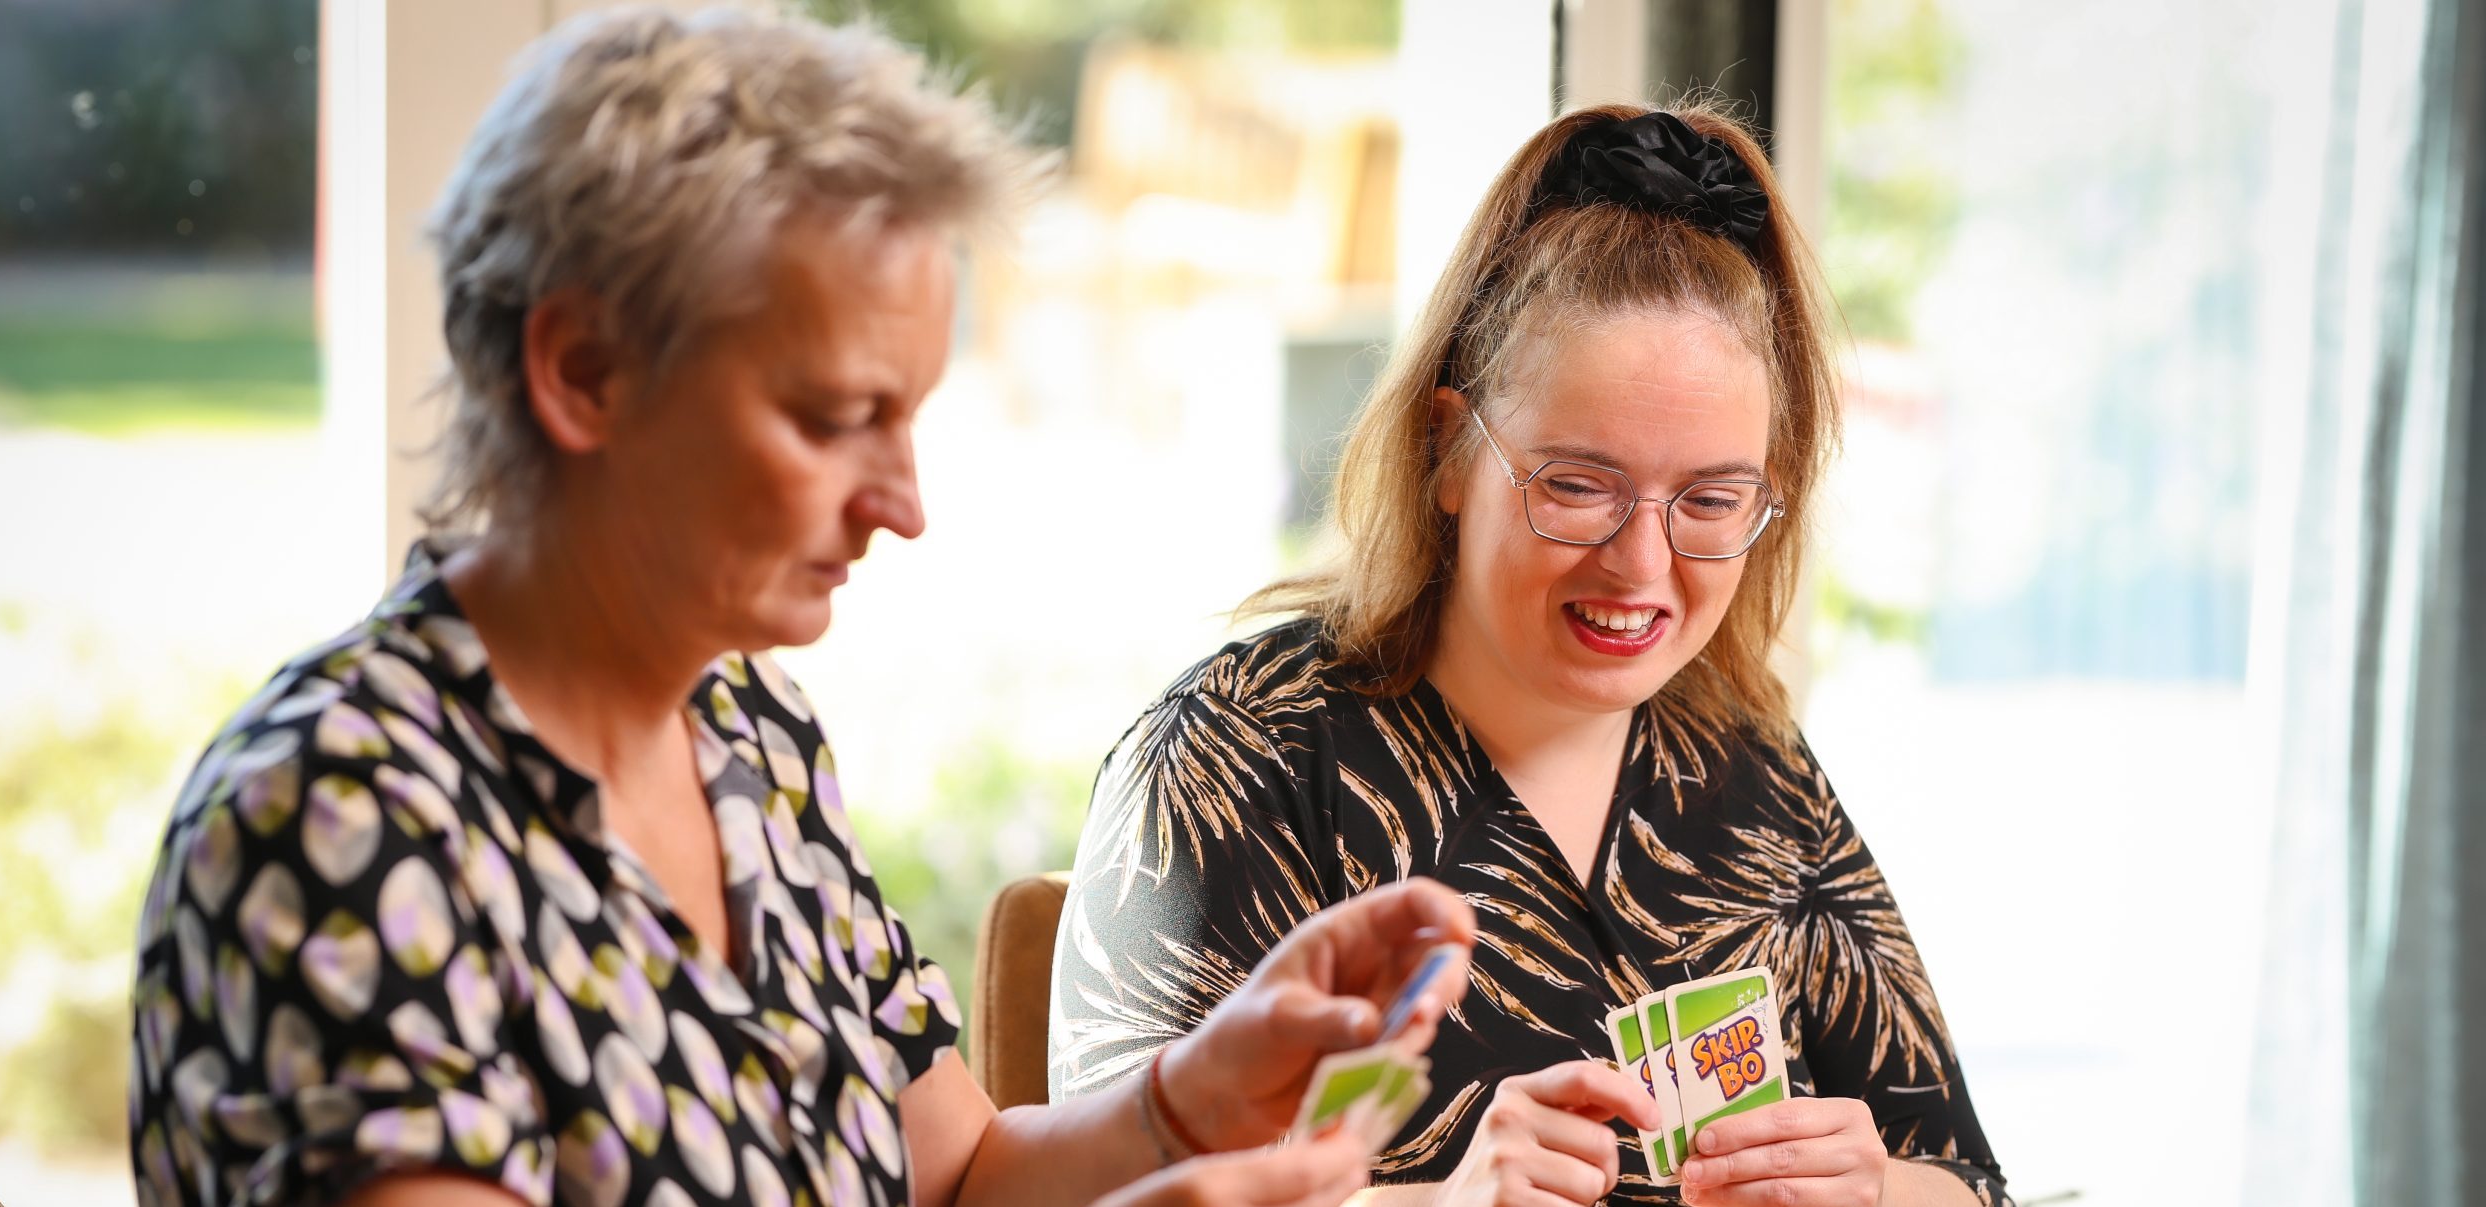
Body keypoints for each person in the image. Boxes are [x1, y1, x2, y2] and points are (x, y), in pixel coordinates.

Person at [123, 9, 1477, 1207]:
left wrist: (1189, 1097)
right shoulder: (336, 822)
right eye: (836, 418)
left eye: (911, 415)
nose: (904, 502)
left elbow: (960, 1177)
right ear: (583, 371)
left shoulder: (746, 734)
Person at [1050, 103, 2013, 1207]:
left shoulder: (1751, 769)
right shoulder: (1239, 760)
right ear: (1446, 450)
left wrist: (1880, 1189)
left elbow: (1973, 1180)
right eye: (1577, 486)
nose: (1642, 564)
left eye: (1710, 500)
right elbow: (1108, 1196)